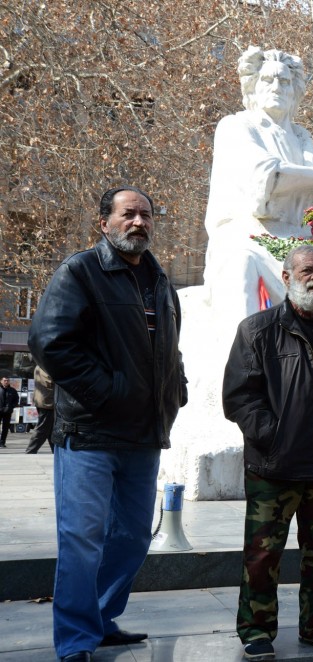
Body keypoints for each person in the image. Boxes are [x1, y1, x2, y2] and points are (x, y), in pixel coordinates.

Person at [28, 186, 188, 662]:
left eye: (145, 215)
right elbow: (49, 342)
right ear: (105, 223)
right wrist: (109, 392)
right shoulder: (80, 271)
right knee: (82, 538)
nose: (138, 222)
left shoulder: (161, 282)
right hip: (89, 434)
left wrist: (175, 389)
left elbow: (169, 350)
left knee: (135, 535)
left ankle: (100, 617)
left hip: (143, 435)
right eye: (128, 214)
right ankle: (76, 639)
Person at [223, 245, 313, 661]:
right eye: (307, 269)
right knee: (263, 554)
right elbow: (239, 398)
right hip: (274, 467)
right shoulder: (256, 329)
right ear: (286, 277)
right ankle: (256, 629)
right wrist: (275, 436)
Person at [204, 46, 313, 322]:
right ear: (252, 86)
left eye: (284, 81)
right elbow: (267, 177)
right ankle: (248, 358)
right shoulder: (236, 126)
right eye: (267, 79)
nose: (276, 86)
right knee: (241, 261)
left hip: (302, 241)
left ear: (293, 90)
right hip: (249, 235)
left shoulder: (300, 136)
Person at [25, 365, 55, 454]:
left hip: (45, 401)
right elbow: (49, 381)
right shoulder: (44, 366)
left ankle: (56, 450)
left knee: (51, 428)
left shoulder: (40, 365)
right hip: (47, 402)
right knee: (43, 427)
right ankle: (31, 450)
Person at [0, 376, 19, 448]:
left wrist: (12, 407)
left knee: (5, 428)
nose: (6, 382)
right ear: (1, 381)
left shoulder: (12, 390)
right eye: (4, 380)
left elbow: (16, 400)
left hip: (7, 411)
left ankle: (2, 443)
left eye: (7, 380)